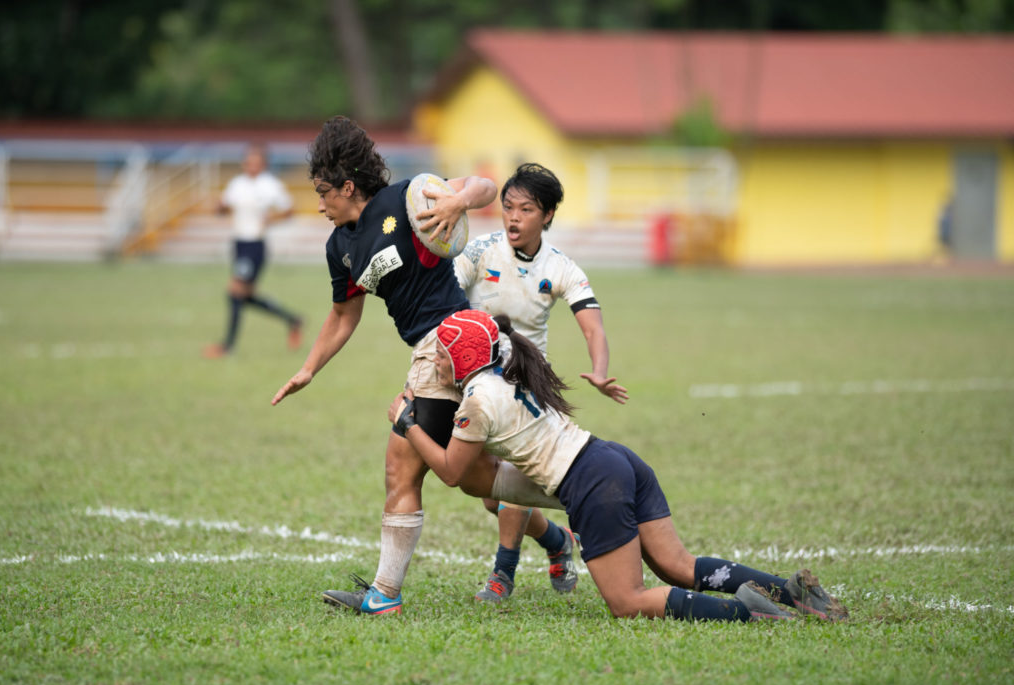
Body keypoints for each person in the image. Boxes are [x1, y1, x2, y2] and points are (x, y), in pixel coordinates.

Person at [387, 309, 850, 623]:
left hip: (591, 481)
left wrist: (407, 423)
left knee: (627, 602)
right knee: (677, 565)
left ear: (464, 358)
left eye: (441, 357)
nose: (436, 365)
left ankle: (748, 613)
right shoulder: (506, 365)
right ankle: (790, 592)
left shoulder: (475, 401)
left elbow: (450, 472)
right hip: (615, 457)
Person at [271, 116, 557, 616]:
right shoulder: (339, 247)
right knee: (476, 479)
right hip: (441, 351)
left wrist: (458, 199)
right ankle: (569, 515)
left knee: (402, 468)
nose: (318, 204)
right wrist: (309, 368)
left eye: (323, 192)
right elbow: (343, 314)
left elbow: (487, 186)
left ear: (347, 186)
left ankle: (384, 596)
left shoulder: (407, 199)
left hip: (449, 342)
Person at [453, 162, 628, 602]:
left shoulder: (561, 266)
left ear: (547, 215)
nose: (513, 217)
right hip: (475, 379)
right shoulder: (480, 250)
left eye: (525, 209)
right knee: (491, 495)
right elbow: (446, 295)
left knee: (516, 471)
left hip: (526, 381)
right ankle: (556, 541)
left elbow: (593, 326)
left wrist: (600, 369)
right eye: (508, 207)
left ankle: (502, 574)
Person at [204, 143, 304, 358]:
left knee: (235, 291)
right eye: (248, 161)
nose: (251, 165)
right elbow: (224, 208)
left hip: (255, 245)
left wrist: (271, 219)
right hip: (239, 244)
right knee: (243, 296)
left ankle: (228, 346)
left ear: (263, 164)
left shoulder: (270, 185)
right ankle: (292, 320)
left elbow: (289, 210)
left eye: (256, 161)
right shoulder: (237, 184)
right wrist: (218, 207)